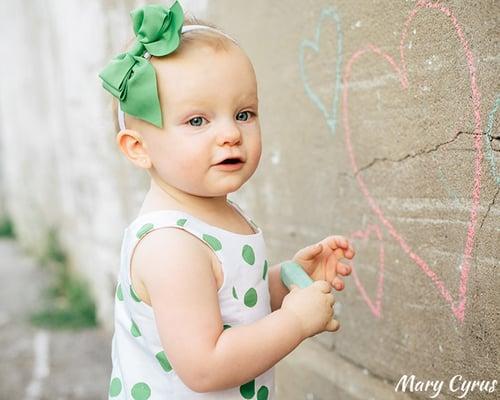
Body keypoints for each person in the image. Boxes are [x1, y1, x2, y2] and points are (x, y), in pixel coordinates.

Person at [99, 2, 355, 399]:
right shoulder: (172, 247)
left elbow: (227, 305)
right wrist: (295, 323)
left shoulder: (214, 211)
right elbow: (205, 367)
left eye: (244, 113)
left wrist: (281, 285)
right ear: (138, 148)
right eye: (197, 121)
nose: (230, 134)